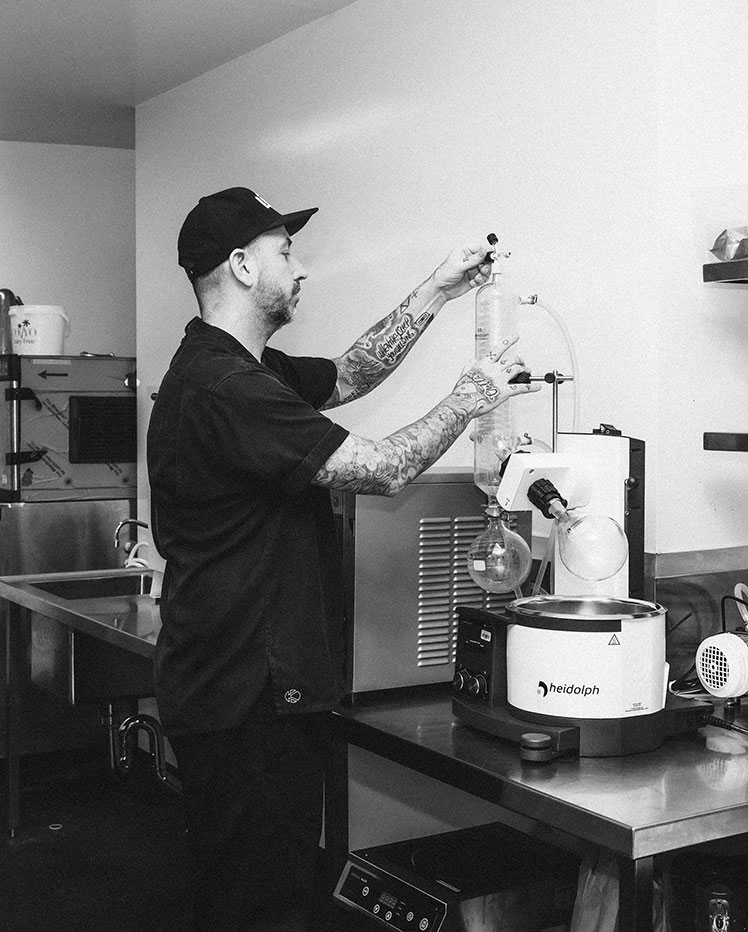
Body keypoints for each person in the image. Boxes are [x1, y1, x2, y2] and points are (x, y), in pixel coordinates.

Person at [146, 186, 539, 932]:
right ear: (239, 265)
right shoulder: (227, 387)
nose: (300, 270)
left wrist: (435, 291)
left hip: (241, 689)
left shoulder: (242, 367)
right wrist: (469, 401)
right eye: (284, 252)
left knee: (260, 890)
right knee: (258, 907)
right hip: (243, 699)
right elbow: (384, 468)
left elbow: (353, 373)